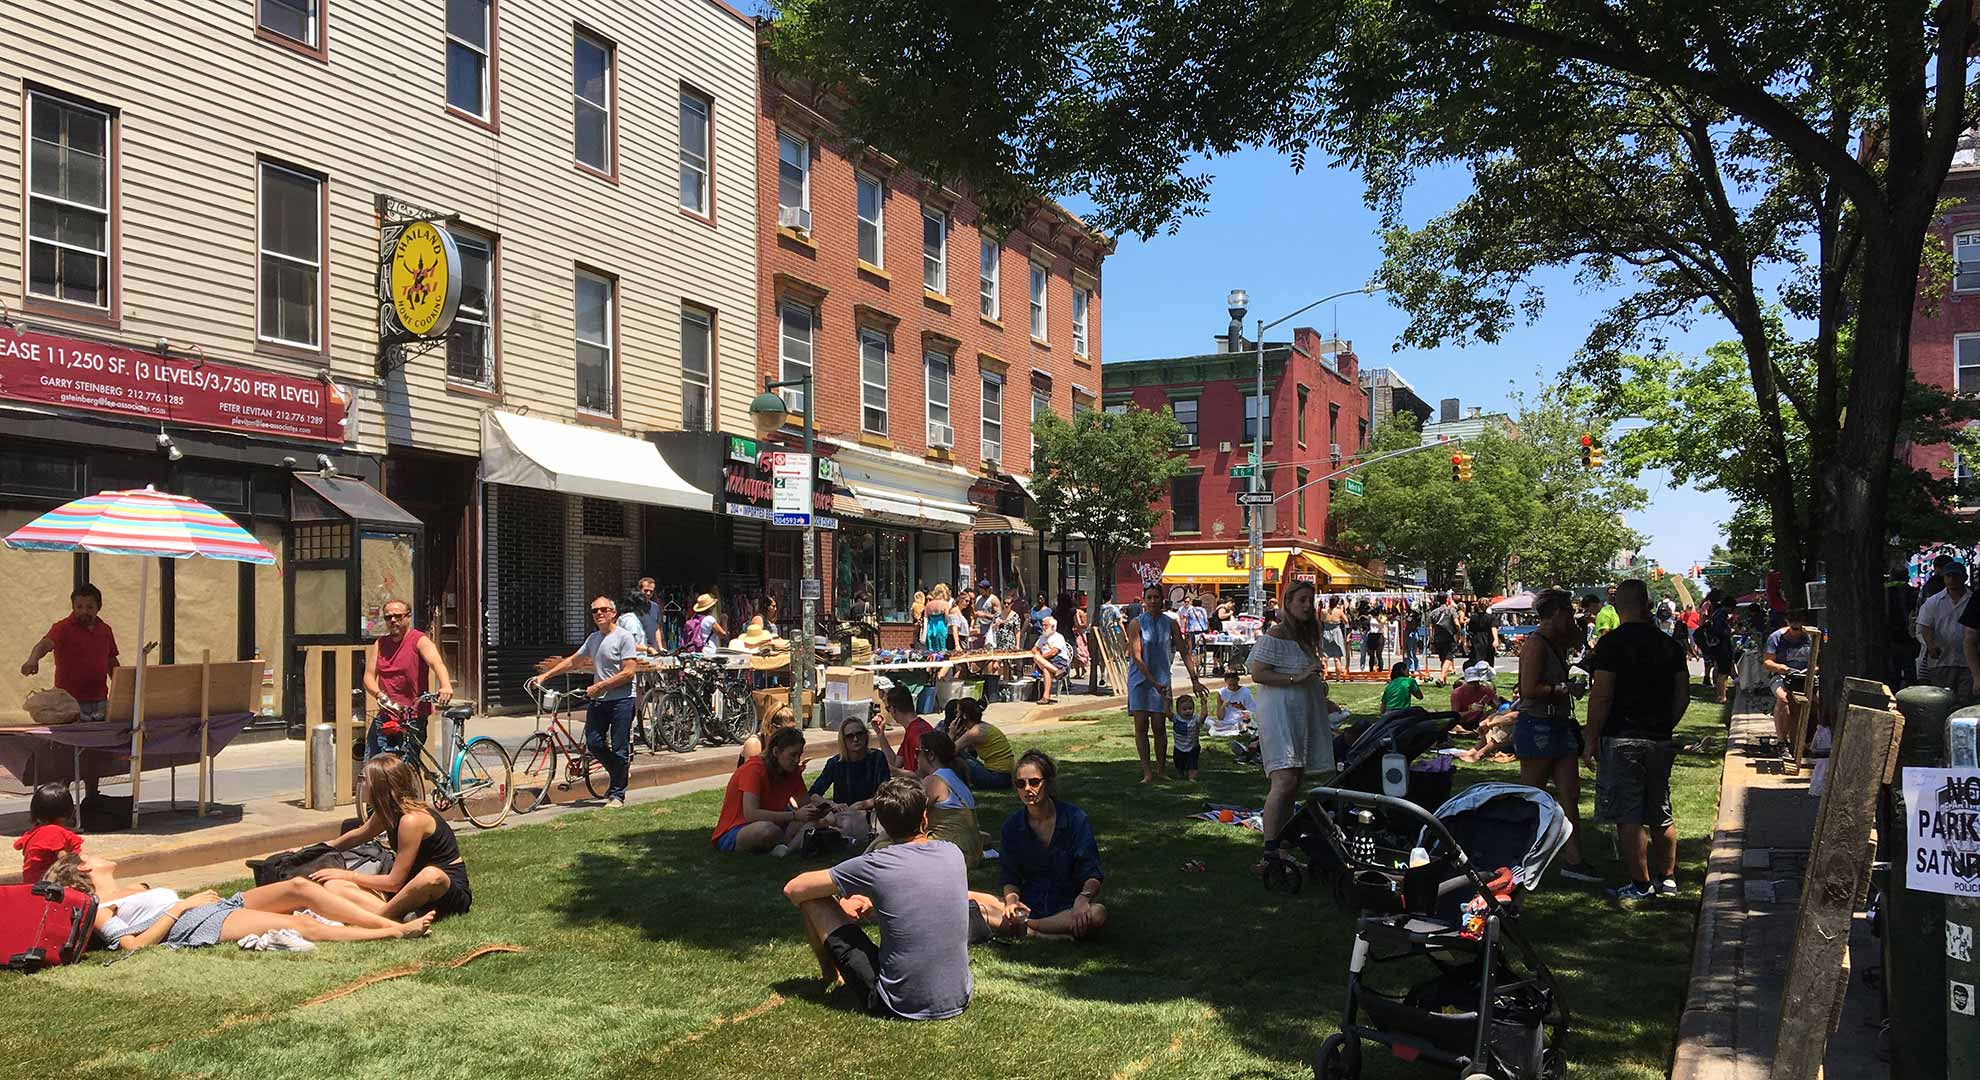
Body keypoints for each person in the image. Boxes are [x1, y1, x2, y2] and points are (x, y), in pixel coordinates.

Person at [782, 777, 977, 1020]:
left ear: (883, 824)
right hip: (959, 995)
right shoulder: (952, 852)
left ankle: (829, 975)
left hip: (897, 1002)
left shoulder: (876, 864)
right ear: (924, 818)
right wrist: (871, 901)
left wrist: (837, 901)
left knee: (812, 898)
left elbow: (794, 889)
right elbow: (915, 889)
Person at [45, 851, 431, 953]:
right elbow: (133, 945)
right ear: (84, 869)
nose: (96, 853)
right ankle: (394, 933)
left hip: (209, 906)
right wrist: (179, 909)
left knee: (300, 887)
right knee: (300, 924)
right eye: (89, 855)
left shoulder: (133, 887)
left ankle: (387, 920)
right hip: (194, 923)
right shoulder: (99, 909)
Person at [1582, 579, 1691, 904]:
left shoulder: (1611, 644)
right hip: (1659, 739)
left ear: (1617, 606)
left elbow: (1601, 695)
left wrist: (1590, 738)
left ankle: (1640, 884)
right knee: (1660, 810)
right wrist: (1665, 724)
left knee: (1627, 815)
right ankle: (1668, 878)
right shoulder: (1670, 645)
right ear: (1648, 604)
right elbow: (1683, 695)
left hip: (1621, 738)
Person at [315, 753, 475, 920]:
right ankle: (400, 915)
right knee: (334, 886)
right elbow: (357, 836)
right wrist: (313, 850)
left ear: (379, 785)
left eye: (363, 778)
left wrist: (348, 875)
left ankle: (379, 921)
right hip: (408, 887)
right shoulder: (388, 811)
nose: (359, 783)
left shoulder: (411, 820)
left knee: (431, 875)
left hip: (442, 891)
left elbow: (394, 883)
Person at [1512, 589, 1599, 882]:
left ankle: (1574, 860)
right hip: (1538, 725)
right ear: (1558, 613)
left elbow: (1580, 640)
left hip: (1559, 725)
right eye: (1570, 613)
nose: (1574, 618)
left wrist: (1574, 629)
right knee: (1533, 795)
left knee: (1570, 793)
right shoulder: (1536, 645)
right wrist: (1564, 688)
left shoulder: (1558, 641)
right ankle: (1519, 857)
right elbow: (1528, 689)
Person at [527, 595, 641, 807]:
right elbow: (573, 661)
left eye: (603, 610)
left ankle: (617, 794)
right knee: (594, 743)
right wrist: (545, 676)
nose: (599, 614)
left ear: (613, 613)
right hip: (599, 700)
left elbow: (629, 672)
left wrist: (601, 685)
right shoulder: (593, 639)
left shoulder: (624, 637)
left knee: (619, 747)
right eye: (595, 611)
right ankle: (620, 771)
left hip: (622, 700)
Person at [1251, 579, 1332, 872]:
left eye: (1311, 600)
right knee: (1284, 779)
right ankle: (1269, 853)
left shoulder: (1307, 635)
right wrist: (1296, 677)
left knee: (1294, 781)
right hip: (1279, 713)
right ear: (1288, 603)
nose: (1308, 606)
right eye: (1302, 600)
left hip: (1299, 712)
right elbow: (1258, 673)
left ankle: (1282, 848)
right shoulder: (1275, 634)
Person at [998, 750, 1108, 940]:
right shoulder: (1012, 826)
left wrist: (1083, 899)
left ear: (1048, 783)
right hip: (1027, 905)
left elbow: (1092, 872)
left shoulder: (1075, 819)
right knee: (971, 899)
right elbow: (1010, 876)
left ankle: (1031, 929)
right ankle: (1048, 932)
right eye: (1020, 784)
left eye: (1034, 782)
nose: (1027, 789)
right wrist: (1012, 901)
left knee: (1097, 914)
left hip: (1067, 906)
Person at [1126, 584, 1207, 783]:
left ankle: (1161, 770)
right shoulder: (1136, 623)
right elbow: (1136, 656)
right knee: (1141, 726)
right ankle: (1147, 772)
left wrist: (1195, 679)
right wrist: (1152, 681)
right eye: (1149, 597)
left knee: (1159, 726)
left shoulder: (1170, 623)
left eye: (1156, 597)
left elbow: (1184, 651)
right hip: (1140, 680)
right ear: (1144, 600)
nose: (1153, 601)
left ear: (1162, 600)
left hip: (1161, 678)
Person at [361, 597, 455, 761]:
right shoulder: (380, 644)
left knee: (406, 764)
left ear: (408, 617)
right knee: (373, 764)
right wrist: (379, 695)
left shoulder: (419, 640)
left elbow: (437, 663)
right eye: (388, 617)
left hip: (413, 715)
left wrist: (445, 685)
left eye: (398, 616)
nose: (393, 620)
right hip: (387, 714)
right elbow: (369, 677)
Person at [712, 727, 828, 854]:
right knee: (767, 830)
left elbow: (805, 804)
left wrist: (822, 809)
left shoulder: (792, 771)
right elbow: (751, 814)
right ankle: (791, 844)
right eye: (792, 755)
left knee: (815, 822)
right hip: (736, 829)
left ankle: (786, 849)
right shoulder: (754, 769)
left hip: (777, 824)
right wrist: (794, 815)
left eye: (799, 755)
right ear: (776, 752)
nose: (796, 760)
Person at [20, 582, 119, 725]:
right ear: (73, 607)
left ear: (99, 607)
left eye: (90, 607)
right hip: (68, 703)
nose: (84, 611)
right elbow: (44, 644)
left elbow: (111, 662)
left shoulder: (105, 630)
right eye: (79, 607)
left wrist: (122, 689)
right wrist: (32, 660)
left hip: (100, 702)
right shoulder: (62, 628)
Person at [809, 714, 897, 843]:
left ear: (866, 736)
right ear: (843, 740)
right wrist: (832, 805)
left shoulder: (877, 758)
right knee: (817, 822)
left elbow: (885, 795)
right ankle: (787, 849)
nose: (855, 739)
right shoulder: (835, 763)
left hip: (871, 814)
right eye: (850, 736)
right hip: (842, 814)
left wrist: (862, 805)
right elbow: (813, 793)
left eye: (859, 734)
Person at [1762, 611, 1818, 747]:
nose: (1796, 632)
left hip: (1808, 676)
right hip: (1783, 676)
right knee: (1783, 699)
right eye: (1793, 628)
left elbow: (1820, 659)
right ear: (1787, 623)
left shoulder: (1812, 636)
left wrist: (1815, 668)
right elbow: (1767, 662)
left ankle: (1813, 740)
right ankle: (1782, 742)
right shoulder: (1776, 637)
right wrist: (1779, 667)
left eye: (1799, 628)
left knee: (1818, 699)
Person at [1917, 562, 1972, 696]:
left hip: (1969, 662)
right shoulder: (1933, 602)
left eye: (1956, 576)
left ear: (1964, 578)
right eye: (1948, 576)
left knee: (1966, 700)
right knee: (1943, 699)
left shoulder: (1973, 600)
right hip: (1942, 661)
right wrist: (1931, 645)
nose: (1952, 579)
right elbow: (1925, 626)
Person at [15, 783, 82, 884]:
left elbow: (19, 846)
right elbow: (65, 862)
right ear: (67, 811)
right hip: (46, 886)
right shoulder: (54, 833)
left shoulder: (35, 832)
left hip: (31, 884)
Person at [948, 698, 1015, 790]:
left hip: (998, 778)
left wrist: (951, 734)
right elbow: (969, 752)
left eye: (957, 712)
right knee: (961, 755)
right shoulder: (982, 727)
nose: (955, 716)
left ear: (964, 716)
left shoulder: (975, 732)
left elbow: (948, 752)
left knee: (955, 757)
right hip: (1005, 776)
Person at [885, 684, 936, 775]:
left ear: (893, 709)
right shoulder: (913, 729)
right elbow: (896, 763)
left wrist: (896, 771)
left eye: (887, 708)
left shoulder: (915, 735)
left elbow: (923, 776)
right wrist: (880, 734)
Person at [1450, 661, 1501, 732]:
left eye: (1476, 681)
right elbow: (1455, 715)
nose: (1474, 685)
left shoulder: (1485, 690)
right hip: (1462, 721)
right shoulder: (1457, 693)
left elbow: (1499, 707)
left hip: (1479, 720)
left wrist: (1491, 703)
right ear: (1466, 682)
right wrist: (1471, 711)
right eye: (1471, 682)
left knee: (1494, 713)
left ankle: (1479, 729)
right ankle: (1465, 731)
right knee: (1453, 724)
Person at [1032, 614, 1072, 704]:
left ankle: (1045, 697)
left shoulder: (1058, 637)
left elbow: (1054, 652)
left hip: (1058, 660)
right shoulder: (1042, 637)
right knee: (1040, 662)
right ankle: (1057, 672)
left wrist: (1040, 658)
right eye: (1043, 625)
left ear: (1053, 627)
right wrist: (1039, 656)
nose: (1043, 627)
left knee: (1043, 666)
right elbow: (1034, 649)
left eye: (1046, 625)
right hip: (1047, 662)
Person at [1170, 692, 1205, 780]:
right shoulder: (1176, 718)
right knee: (1179, 762)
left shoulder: (1195, 719)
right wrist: (1166, 702)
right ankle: (1180, 772)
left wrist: (1204, 704)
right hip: (1178, 747)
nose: (1188, 711)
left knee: (1192, 763)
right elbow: (1167, 713)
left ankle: (1192, 776)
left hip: (1193, 747)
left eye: (1190, 708)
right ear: (1178, 710)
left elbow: (1203, 717)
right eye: (1184, 709)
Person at [1427, 593, 1460, 685]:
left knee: (1443, 659)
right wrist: (1458, 634)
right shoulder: (1451, 610)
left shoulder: (1433, 612)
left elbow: (1430, 627)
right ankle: (1441, 678)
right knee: (1449, 658)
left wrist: (1431, 639)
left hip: (1438, 638)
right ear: (1447, 599)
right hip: (1449, 637)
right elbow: (1456, 624)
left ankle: (1444, 680)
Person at [1213, 668, 1255, 735]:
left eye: (1234, 684)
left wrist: (1242, 708)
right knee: (1209, 722)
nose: (1232, 687)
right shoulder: (1222, 693)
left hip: (1241, 721)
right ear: (1225, 681)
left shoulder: (1246, 692)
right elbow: (1220, 717)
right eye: (1230, 685)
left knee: (1246, 725)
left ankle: (1236, 729)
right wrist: (1223, 706)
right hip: (1227, 722)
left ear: (1238, 680)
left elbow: (1252, 714)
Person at [1465, 603, 1500, 668]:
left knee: (1476, 658)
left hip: (1476, 639)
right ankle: (1488, 671)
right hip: (1488, 639)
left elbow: (1470, 630)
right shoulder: (1492, 617)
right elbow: (1493, 628)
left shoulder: (1473, 617)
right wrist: (1496, 639)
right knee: (1488, 658)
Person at [1322, 597, 1349, 678]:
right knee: (1337, 658)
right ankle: (1338, 677)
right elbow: (1346, 621)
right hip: (1336, 632)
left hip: (1326, 631)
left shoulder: (1324, 611)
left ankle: (1323, 675)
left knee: (1324, 657)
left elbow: (1322, 620)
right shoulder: (1339, 611)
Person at [636, 576, 665, 650]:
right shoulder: (633, 608)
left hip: (653, 650)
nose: (648, 593)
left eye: (651, 591)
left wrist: (660, 647)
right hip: (639, 650)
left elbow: (657, 628)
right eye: (646, 590)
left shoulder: (655, 607)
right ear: (639, 590)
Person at [972, 580, 1002, 646]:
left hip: (989, 629)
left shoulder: (993, 599)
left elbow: (998, 617)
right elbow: (975, 613)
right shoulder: (978, 598)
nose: (980, 591)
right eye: (980, 589)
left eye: (982, 589)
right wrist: (972, 625)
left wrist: (984, 615)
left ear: (987, 590)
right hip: (979, 628)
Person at [1365, 609, 1390, 674]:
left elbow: (1382, 623)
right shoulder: (1371, 617)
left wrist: (1377, 618)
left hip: (1379, 635)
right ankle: (1371, 669)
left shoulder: (1382, 617)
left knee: (1379, 654)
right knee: (1371, 654)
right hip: (1371, 635)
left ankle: (1380, 669)